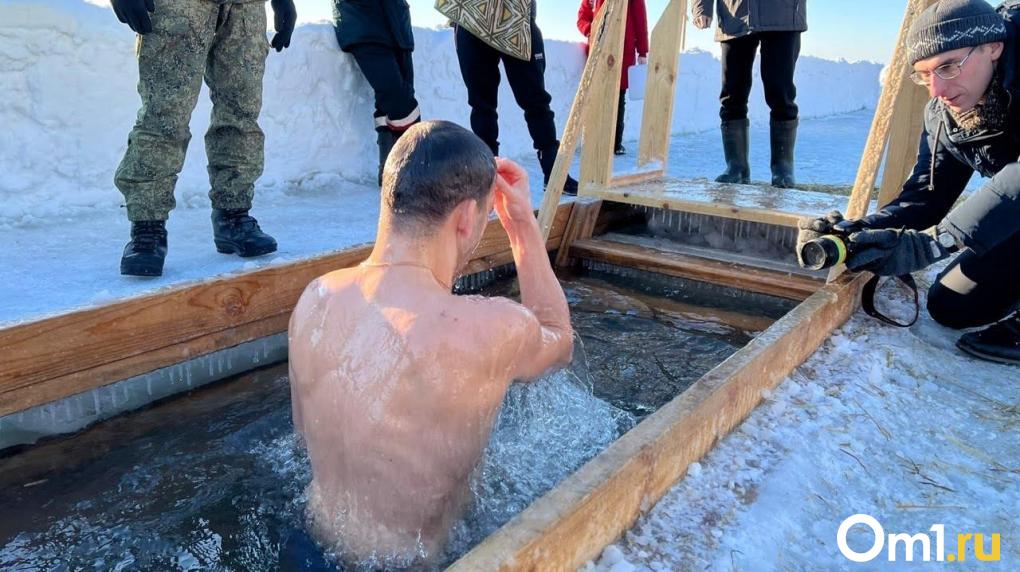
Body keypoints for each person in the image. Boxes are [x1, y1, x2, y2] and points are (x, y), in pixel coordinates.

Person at [288, 121, 574, 566]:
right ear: (464, 219)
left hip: (309, 543)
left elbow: (303, 442)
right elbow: (559, 337)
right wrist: (521, 225)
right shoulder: (489, 326)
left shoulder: (316, 298)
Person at [797, 0, 1020, 365]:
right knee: (953, 305)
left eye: (948, 66)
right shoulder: (946, 113)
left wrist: (939, 242)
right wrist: (857, 233)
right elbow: (926, 196)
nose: (936, 89)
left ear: (993, 47)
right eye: (924, 73)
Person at [110, 0, 295, 276]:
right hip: (178, 7)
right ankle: (147, 227)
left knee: (240, 115)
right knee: (164, 116)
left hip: (246, 8)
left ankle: (233, 216)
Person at [440, 0, 580, 195]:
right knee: (481, 104)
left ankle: (554, 174)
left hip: (517, 16)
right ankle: (486, 179)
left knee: (536, 100)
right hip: (472, 16)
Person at [692, 0, 807, 187]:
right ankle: (736, 168)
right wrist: (701, 7)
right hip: (734, 14)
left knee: (781, 93)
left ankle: (783, 169)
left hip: (783, 14)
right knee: (732, 94)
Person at [333, 0, 421, 186]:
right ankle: (414, 171)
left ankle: (390, 174)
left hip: (398, 23)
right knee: (398, 99)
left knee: (391, 101)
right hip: (361, 21)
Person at [577, 0, 650, 156]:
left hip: (623, 50)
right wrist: (592, 30)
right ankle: (594, 139)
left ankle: (615, 143)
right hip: (598, 50)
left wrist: (642, 51)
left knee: (618, 97)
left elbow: (640, 18)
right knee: (596, 96)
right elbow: (582, 17)